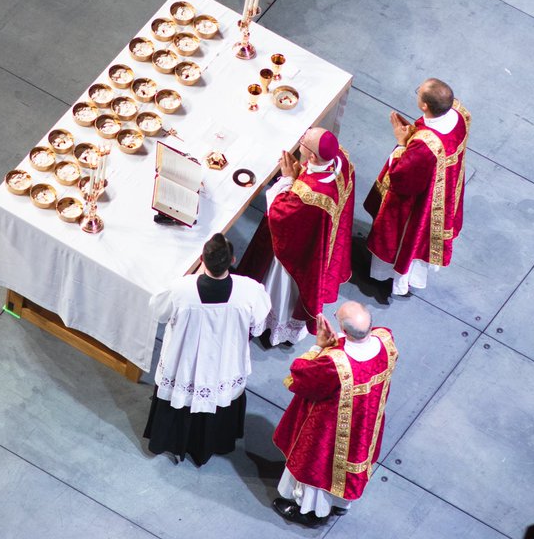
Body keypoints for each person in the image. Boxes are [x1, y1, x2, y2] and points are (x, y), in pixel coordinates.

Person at [143, 233, 271, 465]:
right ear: (232, 260)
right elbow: (259, 323)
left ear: (202, 258)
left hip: (185, 361)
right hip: (225, 360)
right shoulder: (249, 290)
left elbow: (158, 312)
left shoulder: (181, 288)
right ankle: (215, 442)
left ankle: (171, 439)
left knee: (181, 394)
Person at [272, 301, 397, 526]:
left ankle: (309, 511)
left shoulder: (335, 363)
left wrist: (320, 346)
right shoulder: (386, 340)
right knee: (350, 464)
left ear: (345, 331)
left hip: (330, 428)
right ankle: (340, 503)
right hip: (364, 424)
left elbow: (301, 376)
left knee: (320, 465)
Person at [237, 127, 354, 346]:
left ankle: (270, 325)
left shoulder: (308, 195)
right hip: (319, 240)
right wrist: (301, 173)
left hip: (295, 254)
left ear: (311, 156)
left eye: (304, 141)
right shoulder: (341, 160)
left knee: (279, 288)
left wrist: (288, 179)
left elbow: (280, 213)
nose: (300, 140)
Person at [364, 78, 470, 298]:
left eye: (418, 92)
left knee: (406, 239)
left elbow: (402, 179)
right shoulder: (460, 115)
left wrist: (402, 143)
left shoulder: (424, 147)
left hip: (419, 205)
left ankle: (394, 277)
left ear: (424, 106)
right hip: (445, 192)